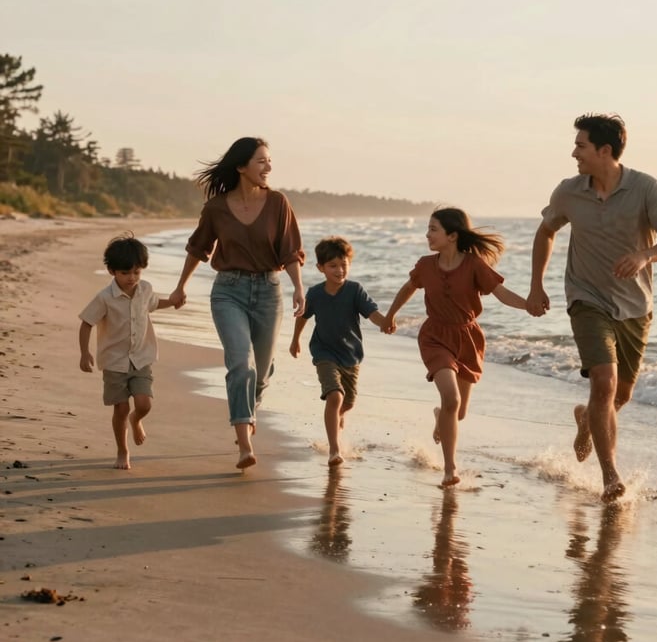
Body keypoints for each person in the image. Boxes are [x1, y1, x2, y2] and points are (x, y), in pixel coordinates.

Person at [526, 113, 657, 503]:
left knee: (620, 396)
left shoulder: (646, 188)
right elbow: (546, 231)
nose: (574, 153)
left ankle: (586, 420)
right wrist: (536, 285)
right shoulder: (569, 192)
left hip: (634, 306)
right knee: (604, 382)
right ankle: (611, 476)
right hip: (585, 298)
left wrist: (646, 256)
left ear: (605, 150)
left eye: (581, 146)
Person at [167, 137, 305, 472]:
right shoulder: (216, 208)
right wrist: (180, 287)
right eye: (261, 161)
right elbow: (198, 248)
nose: (268, 167)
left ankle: (249, 407)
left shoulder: (278, 203)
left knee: (261, 370)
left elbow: (290, 251)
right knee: (240, 364)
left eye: (269, 161)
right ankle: (244, 442)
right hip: (228, 291)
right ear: (242, 166)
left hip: (269, 292)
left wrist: (298, 288)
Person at [382, 208, 527, 488]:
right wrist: (390, 315)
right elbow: (408, 288)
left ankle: (440, 416)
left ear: (452, 236)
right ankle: (450, 469)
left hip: (468, 339)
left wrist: (528, 305)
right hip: (435, 336)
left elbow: (501, 293)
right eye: (428, 229)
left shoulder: (474, 265)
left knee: (456, 412)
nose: (428, 234)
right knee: (452, 399)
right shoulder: (426, 265)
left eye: (433, 229)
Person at [78, 233, 179, 470]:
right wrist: (84, 353)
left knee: (144, 404)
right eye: (125, 273)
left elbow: (154, 304)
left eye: (136, 272)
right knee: (121, 408)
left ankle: (137, 420)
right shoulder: (104, 298)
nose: (132, 278)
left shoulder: (145, 289)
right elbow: (86, 323)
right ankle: (122, 450)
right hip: (114, 362)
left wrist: (173, 301)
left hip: (141, 358)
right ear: (112, 271)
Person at [289, 236, 387, 466]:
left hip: (350, 355)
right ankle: (335, 449)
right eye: (333, 265)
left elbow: (372, 312)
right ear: (320, 268)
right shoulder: (315, 293)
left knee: (348, 403)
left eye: (344, 264)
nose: (340, 270)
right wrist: (295, 340)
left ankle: (337, 419)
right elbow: (303, 316)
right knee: (335, 395)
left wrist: (385, 322)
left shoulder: (354, 291)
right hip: (324, 352)